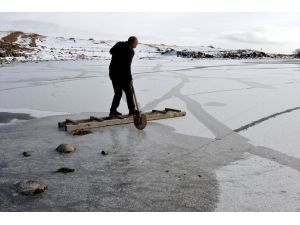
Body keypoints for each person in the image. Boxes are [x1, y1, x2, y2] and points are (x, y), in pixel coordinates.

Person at [108, 36, 139, 117]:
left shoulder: (119, 44)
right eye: (136, 43)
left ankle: (113, 111)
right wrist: (129, 79)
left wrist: (119, 55)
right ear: (132, 42)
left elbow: (111, 51)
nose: (137, 44)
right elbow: (127, 66)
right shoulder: (130, 50)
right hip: (122, 75)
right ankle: (132, 110)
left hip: (113, 72)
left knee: (118, 93)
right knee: (129, 92)